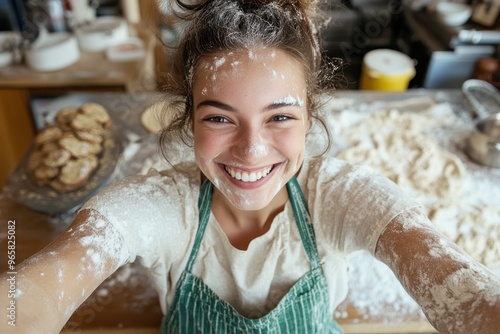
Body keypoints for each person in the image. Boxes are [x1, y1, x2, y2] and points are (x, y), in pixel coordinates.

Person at [1, 0, 500, 333]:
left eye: (279, 116)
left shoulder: (339, 197)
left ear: (311, 117)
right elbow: (40, 289)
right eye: (219, 117)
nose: (252, 150)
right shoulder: (162, 206)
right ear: (188, 120)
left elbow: (461, 288)